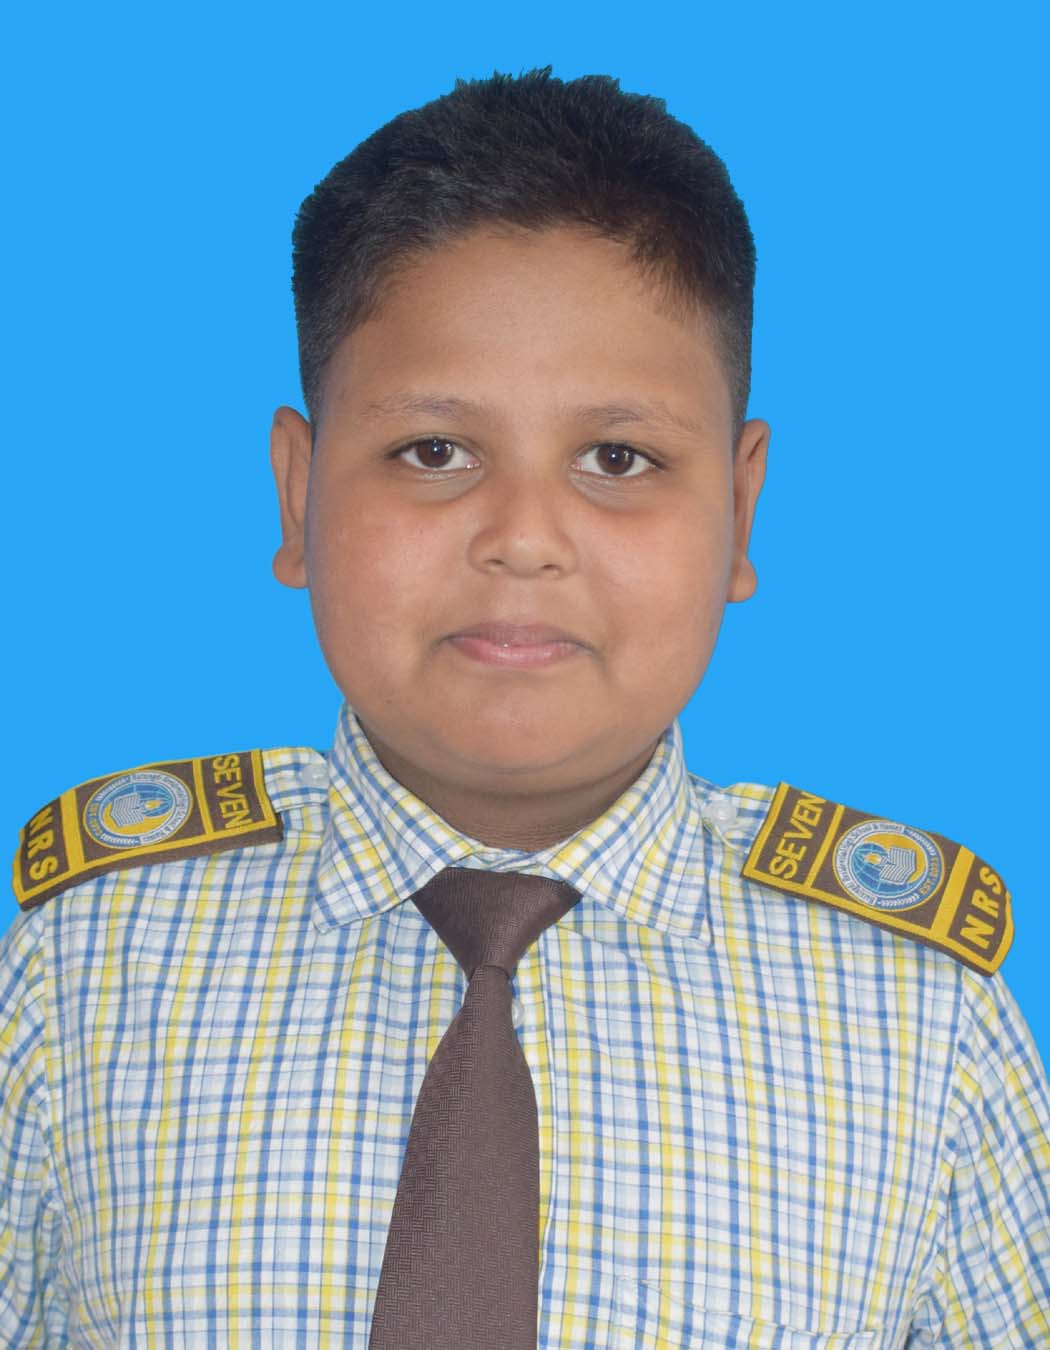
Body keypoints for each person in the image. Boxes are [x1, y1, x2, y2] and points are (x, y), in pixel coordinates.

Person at [2, 65, 1047, 1347]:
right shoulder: (85, 963)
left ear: (740, 508)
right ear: (297, 491)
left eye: (619, 458)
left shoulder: (920, 1019)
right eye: (434, 452)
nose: (524, 538)